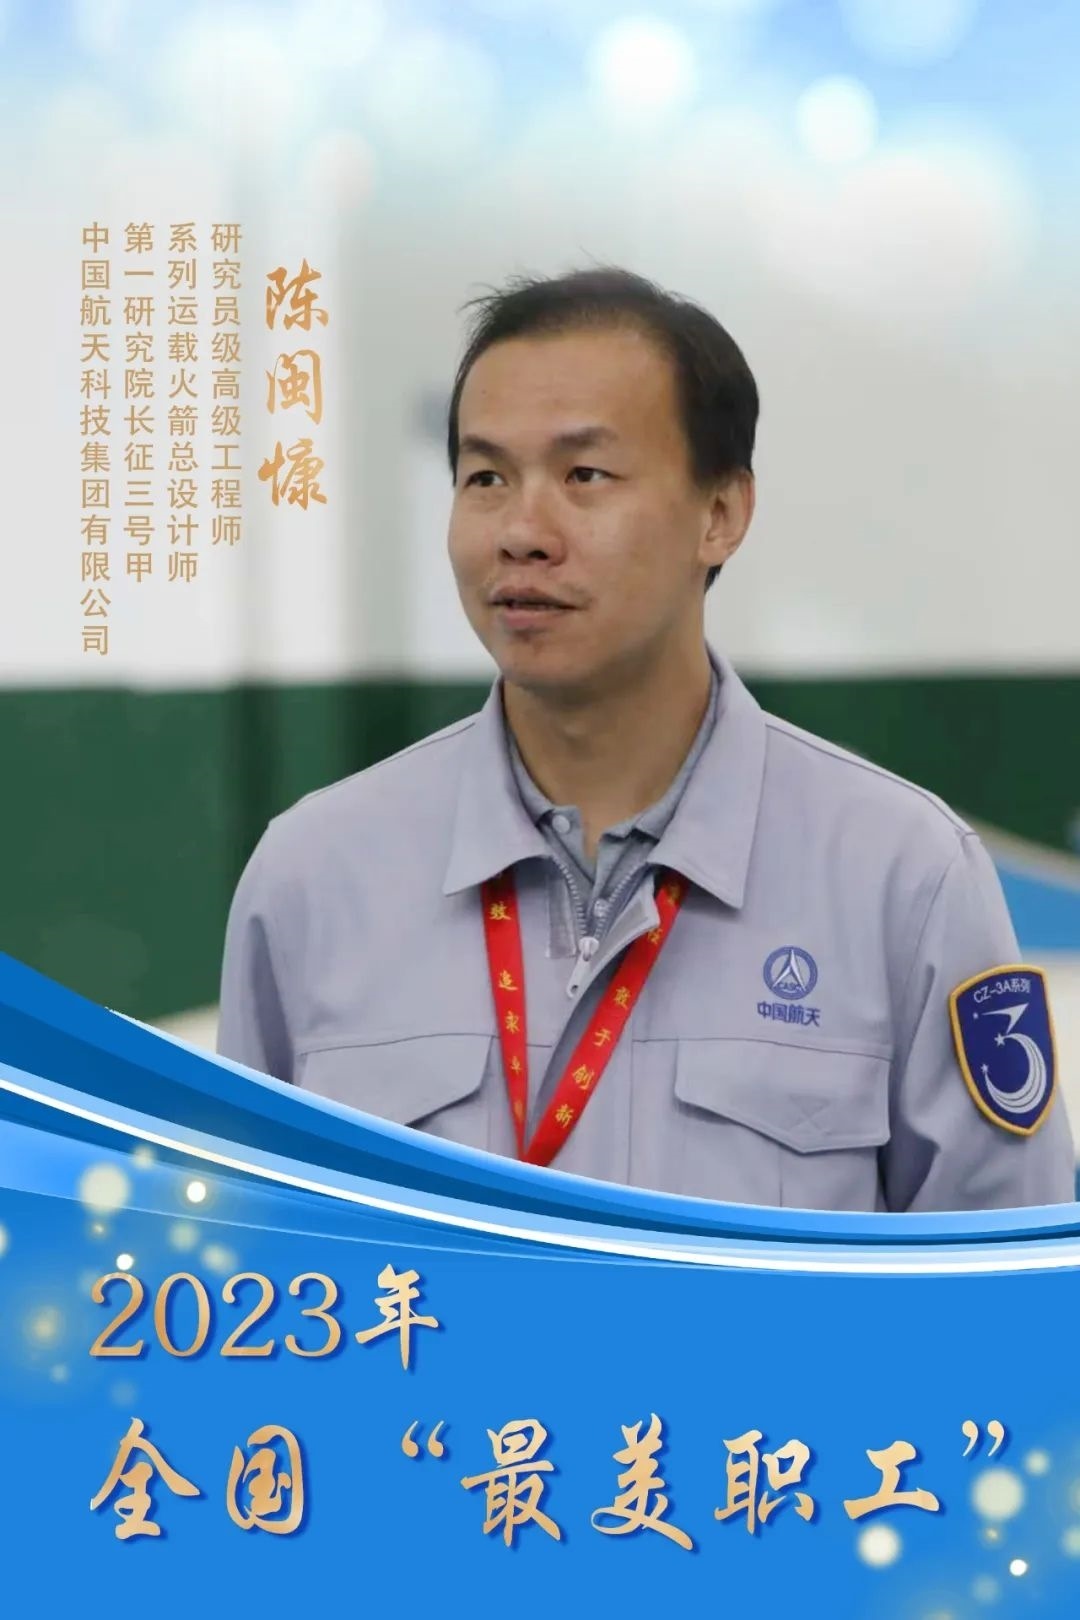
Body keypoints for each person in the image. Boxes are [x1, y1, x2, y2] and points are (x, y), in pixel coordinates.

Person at [217, 266, 1074, 1212]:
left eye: (584, 475)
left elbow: (1002, 1280)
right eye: (486, 477)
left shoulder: (902, 876)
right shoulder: (315, 875)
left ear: (721, 514)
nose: (522, 532)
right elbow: (248, 1259)